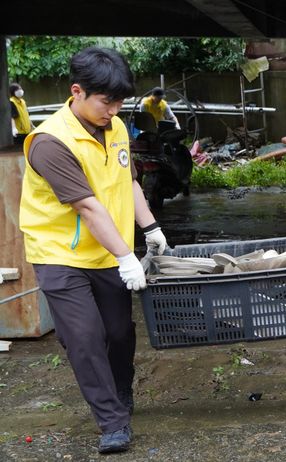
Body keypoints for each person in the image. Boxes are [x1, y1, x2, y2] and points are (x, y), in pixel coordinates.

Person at [19, 47, 170, 454]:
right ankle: (112, 422)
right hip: (60, 254)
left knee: (119, 334)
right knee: (85, 337)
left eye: (119, 102)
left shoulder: (115, 126)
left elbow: (128, 180)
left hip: (106, 250)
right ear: (77, 92)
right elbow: (87, 206)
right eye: (107, 102)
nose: (114, 111)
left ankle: (120, 390)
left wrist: (150, 227)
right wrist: (126, 257)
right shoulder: (50, 142)